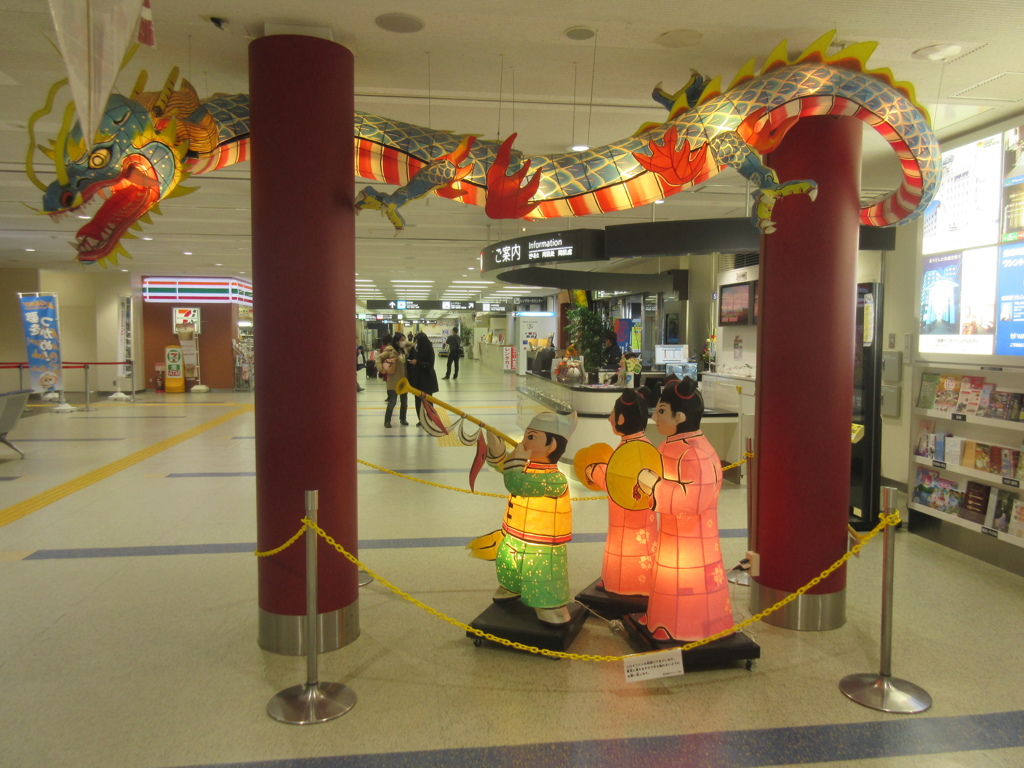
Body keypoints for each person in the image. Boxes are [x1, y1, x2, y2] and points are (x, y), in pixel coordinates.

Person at [635, 377, 733, 641]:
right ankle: (661, 619)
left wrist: (654, 486)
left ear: (680, 416)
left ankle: (687, 627)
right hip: (669, 534)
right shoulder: (669, 444)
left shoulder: (695, 453)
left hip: (692, 541)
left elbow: (693, 501)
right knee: (667, 576)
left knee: (688, 583)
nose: (654, 417)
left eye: (662, 411)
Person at [486, 411, 577, 625]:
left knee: (541, 574)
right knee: (508, 563)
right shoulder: (525, 467)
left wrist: (515, 458)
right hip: (513, 533)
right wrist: (498, 451)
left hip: (541, 544)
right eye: (526, 435)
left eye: (531, 437)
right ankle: (512, 587)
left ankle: (548, 605)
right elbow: (506, 469)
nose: (523, 442)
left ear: (551, 445)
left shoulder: (556, 479)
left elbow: (516, 481)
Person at [585, 388, 658, 596]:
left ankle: (624, 584)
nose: (609, 419)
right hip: (645, 519)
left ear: (622, 418)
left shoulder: (629, 449)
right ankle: (641, 581)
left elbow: (617, 482)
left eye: (612, 414)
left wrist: (593, 471)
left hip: (626, 522)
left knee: (624, 549)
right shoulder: (645, 445)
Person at [406, 332, 438, 427]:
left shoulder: (429, 349)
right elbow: (409, 359)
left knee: (428, 400)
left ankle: (429, 419)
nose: (416, 342)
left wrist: (418, 362)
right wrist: (410, 362)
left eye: (418, 341)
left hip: (427, 378)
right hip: (417, 378)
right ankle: (421, 419)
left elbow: (430, 364)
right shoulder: (414, 349)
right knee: (418, 400)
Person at [377, 332, 408, 428]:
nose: (404, 342)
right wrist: (381, 369)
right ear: (396, 341)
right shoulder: (390, 351)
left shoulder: (404, 350)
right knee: (392, 402)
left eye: (404, 340)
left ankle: (403, 419)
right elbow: (378, 358)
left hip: (403, 380)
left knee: (404, 401)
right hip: (393, 380)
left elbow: (412, 344)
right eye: (402, 340)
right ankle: (387, 420)